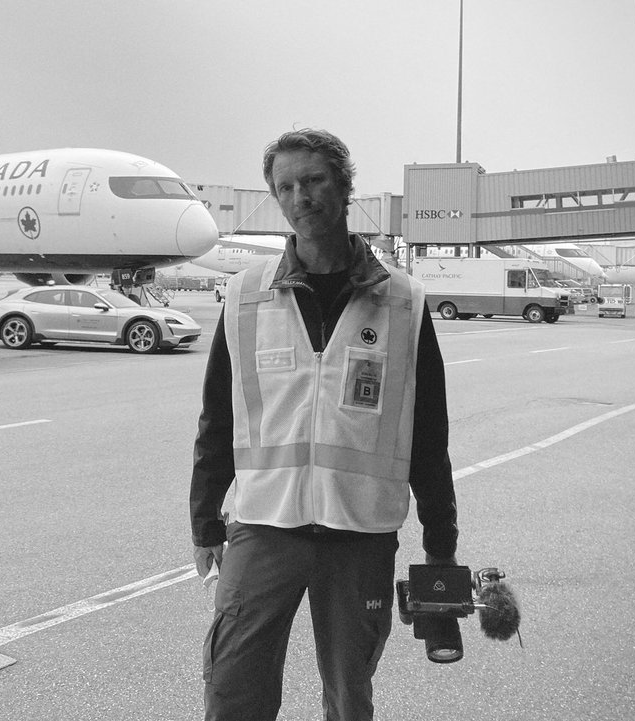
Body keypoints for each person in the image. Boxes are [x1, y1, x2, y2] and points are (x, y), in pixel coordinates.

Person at [190, 128, 459, 721]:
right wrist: (204, 517)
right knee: (234, 688)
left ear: (344, 187)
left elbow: (428, 436)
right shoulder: (245, 296)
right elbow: (218, 415)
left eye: (313, 181)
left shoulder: (403, 302)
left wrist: (441, 545)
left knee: (349, 693)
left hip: (359, 532)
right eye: (284, 187)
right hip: (264, 527)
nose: (300, 197)